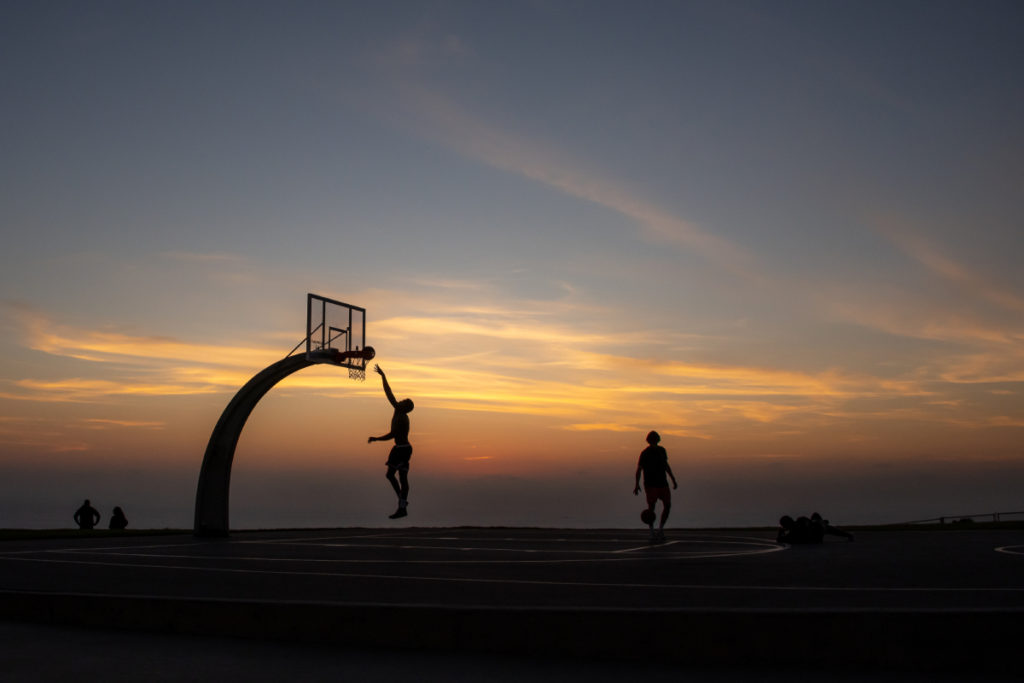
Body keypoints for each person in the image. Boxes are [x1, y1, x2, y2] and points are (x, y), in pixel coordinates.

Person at [367, 364, 415, 519]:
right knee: (390, 475)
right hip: (399, 448)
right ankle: (402, 502)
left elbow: (391, 435)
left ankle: (402, 505)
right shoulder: (397, 409)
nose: (401, 400)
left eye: (404, 401)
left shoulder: (402, 418)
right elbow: (389, 394)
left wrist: (376, 439)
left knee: (402, 477)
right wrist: (383, 376)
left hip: (403, 449)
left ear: (405, 407)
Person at [633, 431, 678, 543]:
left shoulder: (662, 451)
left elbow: (666, 466)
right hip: (651, 484)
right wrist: (636, 484)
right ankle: (653, 531)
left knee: (666, 506)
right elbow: (639, 469)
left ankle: (660, 529)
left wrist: (673, 479)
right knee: (652, 509)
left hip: (662, 483)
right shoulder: (645, 453)